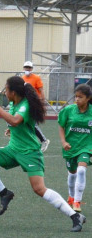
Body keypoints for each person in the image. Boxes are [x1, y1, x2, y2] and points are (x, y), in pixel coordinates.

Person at [0, 76, 86, 232]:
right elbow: (16, 124)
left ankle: (75, 216)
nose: (5, 92)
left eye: (6, 89)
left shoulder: (25, 105)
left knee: (39, 189)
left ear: (13, 92)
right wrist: (12, 130)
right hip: (13, 149)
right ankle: (4, 193)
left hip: (30, 153)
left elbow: (15, 120)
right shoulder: (15, 103)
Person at [58, 84, 92, 213]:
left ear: (88, 98)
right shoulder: (68, 110)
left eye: (80, 97)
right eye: (76, 96)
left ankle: (77, 202)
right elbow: (61, 126)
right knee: (72, 173)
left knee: (82, 170)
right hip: (70, 147)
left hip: (86, 147)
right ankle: (71, 197)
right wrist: (63, 141)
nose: (77, 99)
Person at [22, 61, 50, 152]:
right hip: (26, 103)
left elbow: (41, 90)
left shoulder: (36, 78)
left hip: (34, 103)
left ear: (32, 69)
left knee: (32, 123)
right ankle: (34, 142)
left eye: (29, 68)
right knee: (27, 123)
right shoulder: (22, 78)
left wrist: (42, 102)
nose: (27, 69)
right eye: (26, 67)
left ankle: (44, 140)